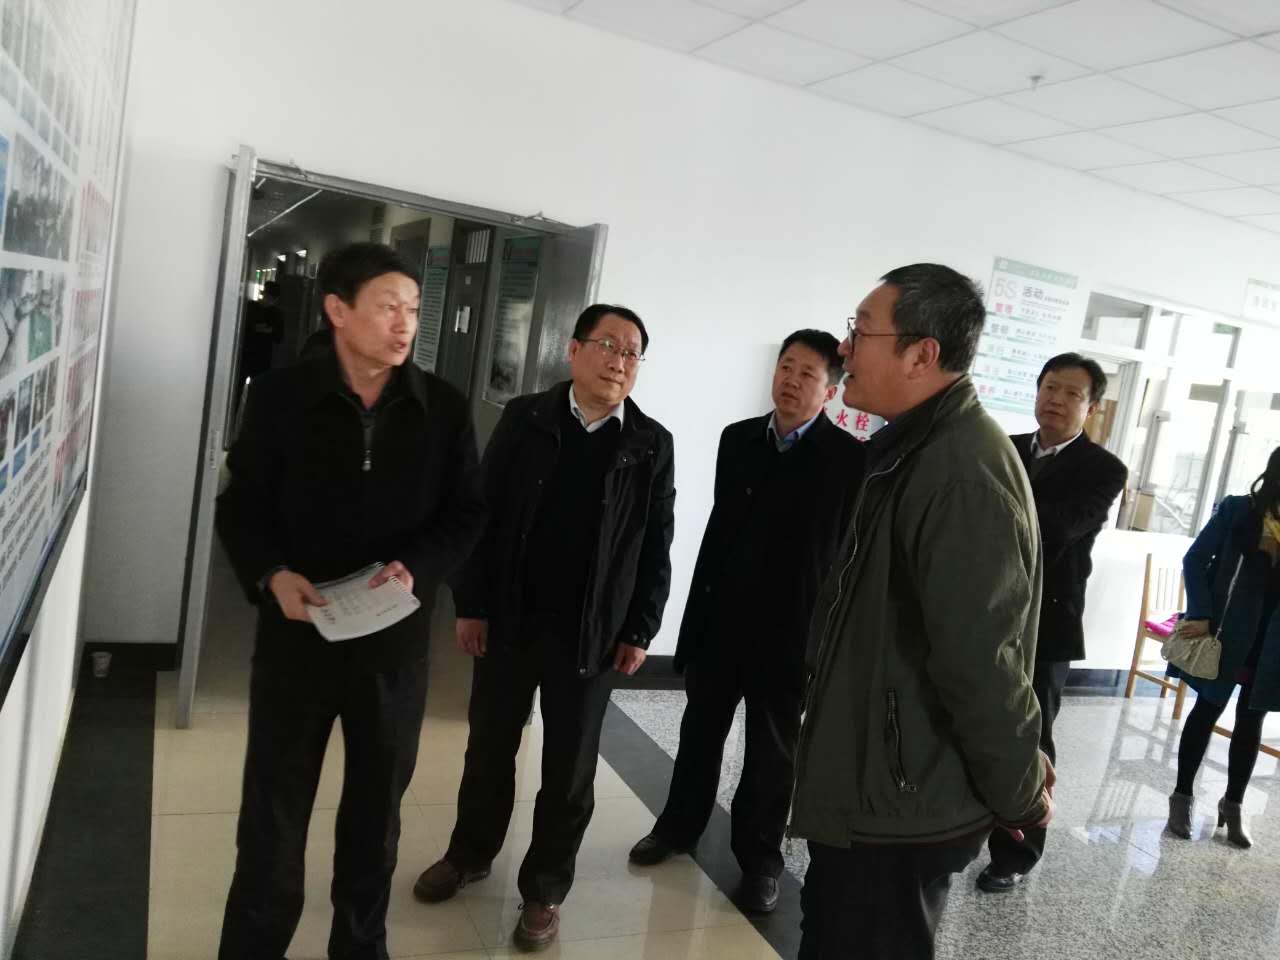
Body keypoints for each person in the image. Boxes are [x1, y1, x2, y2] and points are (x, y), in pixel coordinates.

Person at [215, 242, 486, 960]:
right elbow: (240, 506)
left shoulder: (442, 408)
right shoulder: (280, 398)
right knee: (273, 820)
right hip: (296, 642)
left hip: (392, 650)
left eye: (414, 310)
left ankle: (360, 947)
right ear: (337, 310)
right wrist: (272, 574)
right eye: (388, 307)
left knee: (375, 821)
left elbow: (467, 514)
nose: (405, 324)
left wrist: (416, 569)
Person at [789, 264, 1054, 960]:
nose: (844, 348)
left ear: (921, 354)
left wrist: (1021, 793)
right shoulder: (917, 446)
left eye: (861, 331)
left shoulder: (961, 474)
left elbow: (982, 664)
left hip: (903, 801)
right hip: (880, 783)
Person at [413, 304, 675, 951]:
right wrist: (471, 604)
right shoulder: (525, 417)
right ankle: (470, 853)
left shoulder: (651, 443)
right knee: (488, 749)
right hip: (510, 619)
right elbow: (481, 514)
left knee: (569, 770)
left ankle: (545, 890)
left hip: (592, 634)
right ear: (574, 349)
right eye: (608, 345)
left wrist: (640, 629)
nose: (619, 361)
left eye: (632, 352)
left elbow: (655, 543)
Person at [628, 329, 865, 913]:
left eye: (808, 374)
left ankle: (760, 860)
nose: (791, 380)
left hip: (790, 633)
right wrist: (693, 623)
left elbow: (842, 560)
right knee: (699, 733)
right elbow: (718, 535)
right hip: (723, 621)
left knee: (771, 753)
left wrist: (825, 644)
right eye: (786, 367)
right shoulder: (737, 439)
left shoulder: (849, 459)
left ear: (830, 391)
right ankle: (677, 827)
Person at [977, 353, 1126, 892]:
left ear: (1092, 407)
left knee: (1031, 735)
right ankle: (956, 830)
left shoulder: (1104, 469)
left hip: (1047, 621)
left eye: (1072, 393)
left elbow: (1058, 529)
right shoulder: (1003, 447)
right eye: (1050, 387)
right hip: (982, 611)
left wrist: (993, 513)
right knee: (968, 720)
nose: (1057, 400)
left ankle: (1015, 854)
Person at [1167, 446, 1280, 849]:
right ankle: (1182, 797)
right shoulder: (1237, 510)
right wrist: (1201, 612)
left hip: (1271, 640)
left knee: (1252, 720)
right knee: (1207, 711)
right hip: (1226, 633)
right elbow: (1195, 559)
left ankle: (1233, 805)